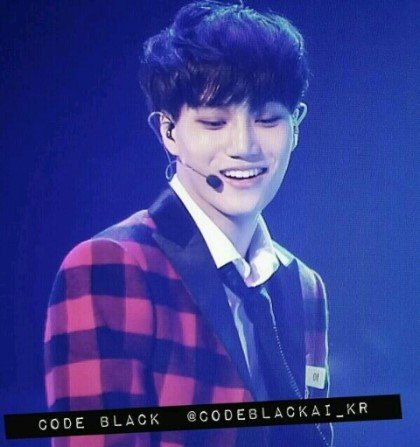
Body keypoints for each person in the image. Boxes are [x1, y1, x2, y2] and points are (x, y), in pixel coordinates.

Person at [44, 1, 332, 446]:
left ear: (296, 125)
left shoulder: (304, 286)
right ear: (168, 132)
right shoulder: (111, 267)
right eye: (214, 122)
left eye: (267, 119)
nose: (243, 145)